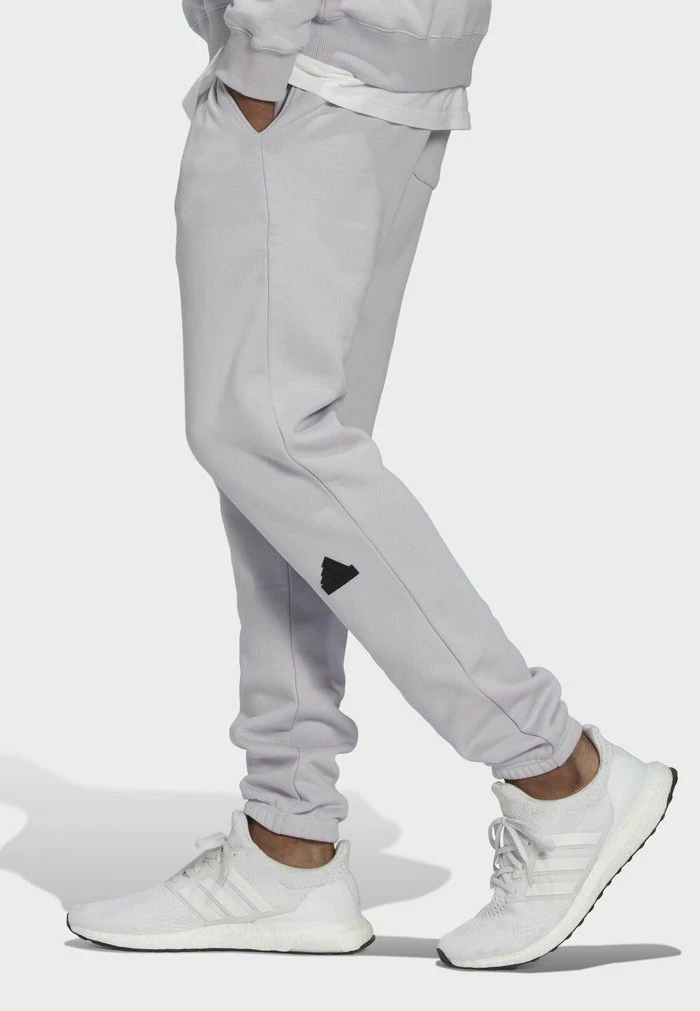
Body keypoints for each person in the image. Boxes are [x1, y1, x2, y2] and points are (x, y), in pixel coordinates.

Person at [66, 1, 676, 968]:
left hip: (304, 73)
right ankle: (288, 842)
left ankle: (555, 767)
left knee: (268, 436)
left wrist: (259, 52)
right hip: (375, 74)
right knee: (290, 471)